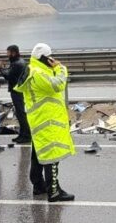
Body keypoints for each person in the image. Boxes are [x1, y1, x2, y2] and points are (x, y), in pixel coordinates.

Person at [14, 43, 75, 202]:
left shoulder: (33, 69)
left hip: (39, 119)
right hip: (46, 121)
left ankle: (38, 185)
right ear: (44, 58)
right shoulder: (38, 73)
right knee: (51, 156)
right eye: (50, 57)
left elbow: (50, 82)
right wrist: (61, 68)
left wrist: (53, 69)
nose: (52, 60)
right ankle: (54, 191)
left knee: (38, 154)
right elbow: (57, 85)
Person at [0, 45, 31, 144]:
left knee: (21, 113)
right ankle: (22, 134)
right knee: (20, 113)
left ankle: (26, 135)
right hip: (19, 90)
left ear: (13, 52)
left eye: (8, 52)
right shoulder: (19, 61)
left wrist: (0, 68)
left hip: (17, 91)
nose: (7, 54)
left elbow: (9, 76)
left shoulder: (17, 64)